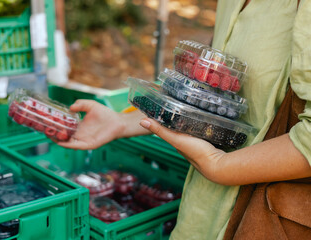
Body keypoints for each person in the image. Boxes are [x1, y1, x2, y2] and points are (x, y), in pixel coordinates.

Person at [58, 0, 311, 239]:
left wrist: (219, 166)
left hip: (265, 219)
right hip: (201, 212)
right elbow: (207, 95)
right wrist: (122, 122)